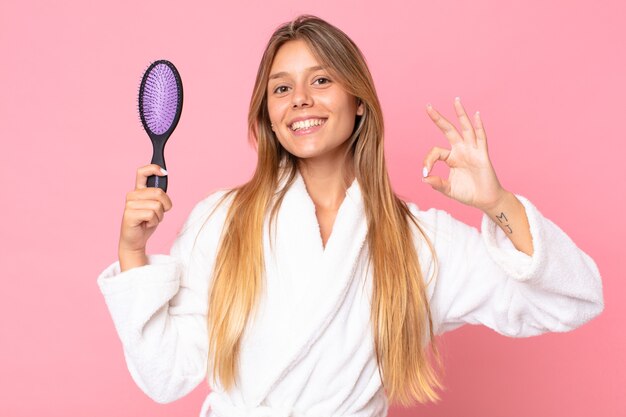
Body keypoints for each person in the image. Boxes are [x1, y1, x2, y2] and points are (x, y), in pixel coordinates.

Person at [97, 14, 604, 417]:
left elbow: (573, 298)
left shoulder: (419, 242)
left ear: (358, 100)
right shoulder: (220, 221)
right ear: (269, 117)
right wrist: (133, 253)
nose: (300, 99)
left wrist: (498, 204)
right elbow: (166, 377)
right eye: (281, 88)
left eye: (320, 79)